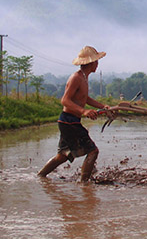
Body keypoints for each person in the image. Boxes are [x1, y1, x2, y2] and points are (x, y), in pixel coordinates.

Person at [38, 46, 112, 182]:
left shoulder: (84, 78)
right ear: (91, 63)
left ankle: (40, 177)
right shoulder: (76, 78)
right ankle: (84, 184)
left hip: (69, 121)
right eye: (96, 61)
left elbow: (85, 98)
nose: (97, 63)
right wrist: (84, 111)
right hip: (69, 121)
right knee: (93, 151)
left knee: (63, 156)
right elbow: (65, 100)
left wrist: (103, 106)